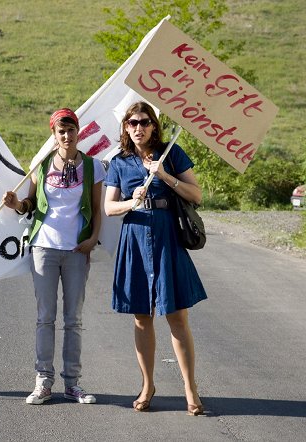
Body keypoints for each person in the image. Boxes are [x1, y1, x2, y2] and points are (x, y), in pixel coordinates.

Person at [103, 101, 207, 415]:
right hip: (135, 237)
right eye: (132, 123)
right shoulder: (118, 162)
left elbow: (197, 195)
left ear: (154, 125)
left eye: (144, 122)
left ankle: (191, 389)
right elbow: (109, 208)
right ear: (125, 126)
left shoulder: (171, 154)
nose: (138, 128)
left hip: (167, 238)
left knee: (177, 317)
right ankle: (147, 385)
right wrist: (130, 203)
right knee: (141, 317)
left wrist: (164, 175)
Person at [2, 108, 105, 405]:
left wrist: (92, 239)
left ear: (78, 132)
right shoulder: (42, 164)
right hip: (44, 248)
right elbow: (29, 205)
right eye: (61, 131)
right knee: (45, 317)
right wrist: (15, 204)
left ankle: (73, 383)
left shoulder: (93, 166)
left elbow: (97, 209)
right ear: (54, 134)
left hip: (75, 250)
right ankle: (43, 381)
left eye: (71, 130)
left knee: (73, 318)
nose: (67, 135)